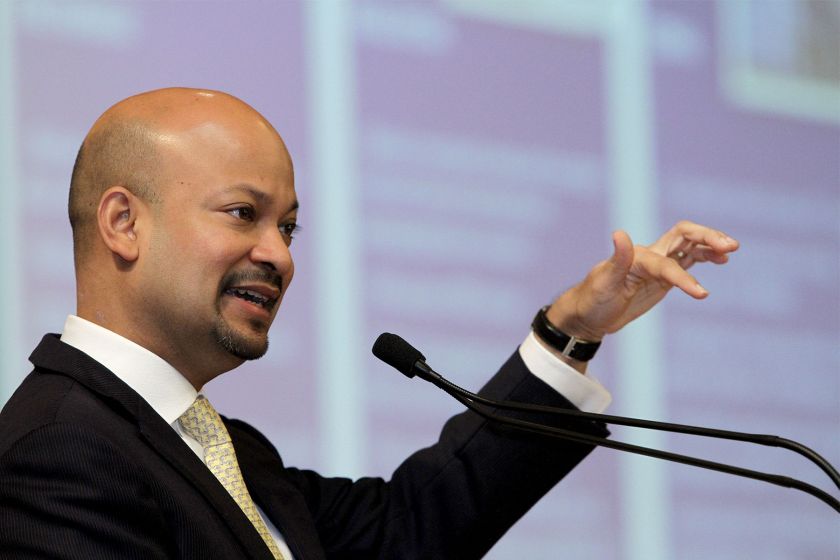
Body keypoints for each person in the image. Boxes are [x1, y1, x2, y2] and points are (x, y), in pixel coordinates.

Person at [0, 88, 739, 559]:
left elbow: (409, 531)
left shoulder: (222, 448)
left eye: (289, 228)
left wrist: (569, 331)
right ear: (124, 223)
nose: (279, 256)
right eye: (243, 214)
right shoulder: (61, 450)